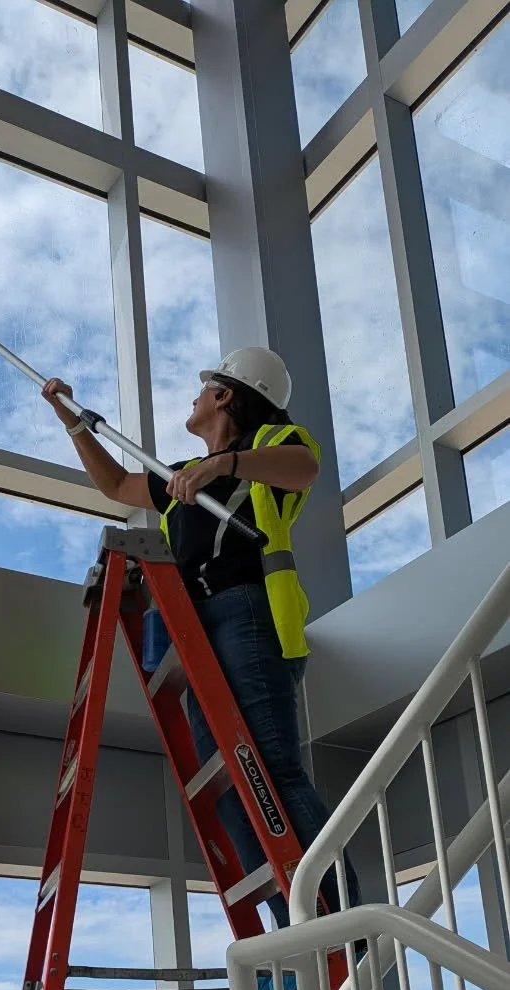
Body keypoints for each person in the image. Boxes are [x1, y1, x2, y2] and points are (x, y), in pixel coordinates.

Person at [42, 347, 360, 930]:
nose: (193, 396)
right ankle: (288, 919)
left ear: (226, 395)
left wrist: (223, 466)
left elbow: (303, 470)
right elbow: (116, 485)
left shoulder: (274, 443)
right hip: (191, 631)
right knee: (232, 786)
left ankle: (341, 919)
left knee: (273, 769)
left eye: (203, 386)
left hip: (247, 612)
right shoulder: (181, 477)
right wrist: (72, 425)